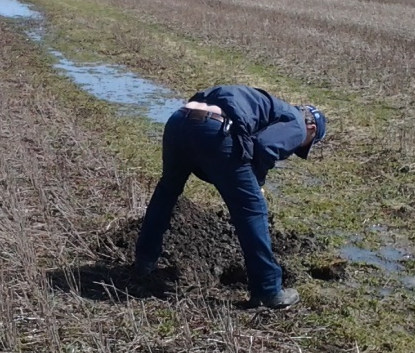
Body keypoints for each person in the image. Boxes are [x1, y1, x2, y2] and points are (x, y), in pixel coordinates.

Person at [134, 85, 327, 309]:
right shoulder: (298, 124)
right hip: (214, 129)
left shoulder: (272, 107)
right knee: (252, 209)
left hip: (179, 120)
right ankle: (267, 290)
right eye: (307, 144)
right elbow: (263, 147)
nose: (298, 147)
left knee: (167, 191)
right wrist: (257, 184)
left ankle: (144, 260)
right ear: (312, 128)